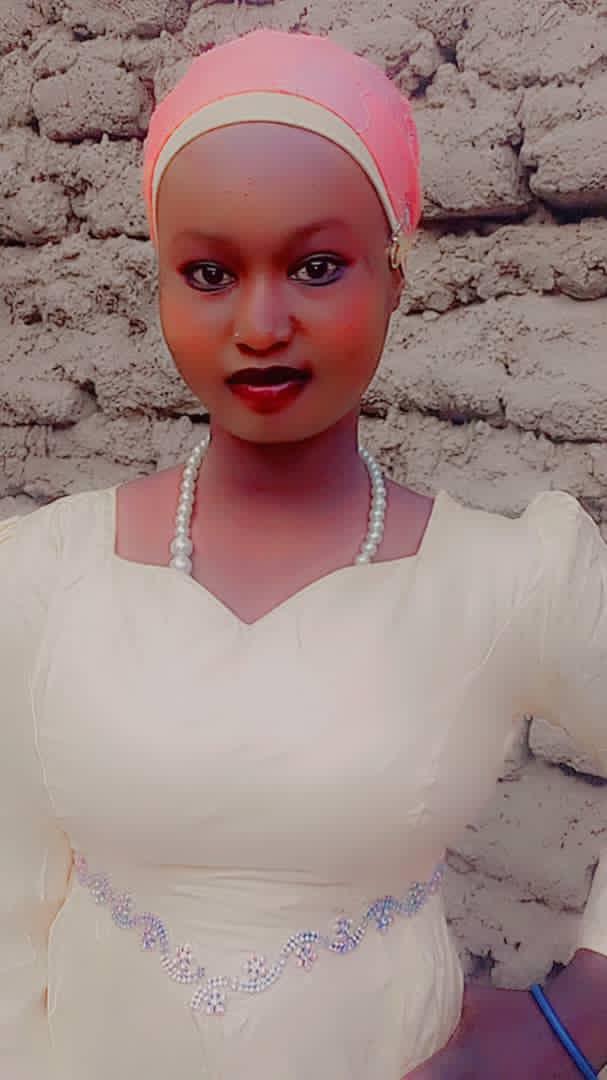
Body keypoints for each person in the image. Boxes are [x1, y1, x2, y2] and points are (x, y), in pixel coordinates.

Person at [0, 26, 606, 1080]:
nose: (261, 323)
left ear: (395, 273)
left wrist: (581, 1015)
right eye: (207, 272)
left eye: (317, 266)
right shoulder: (48, 574)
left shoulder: (505, 582)